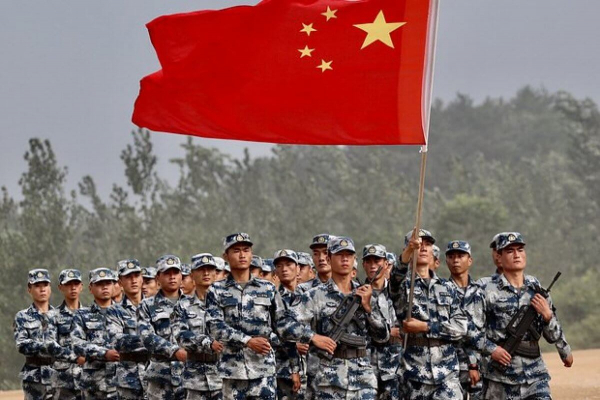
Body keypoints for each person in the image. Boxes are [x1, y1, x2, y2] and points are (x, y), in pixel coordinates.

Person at [205, 232, 333, 400]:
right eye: (236, 251)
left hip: (264, 373)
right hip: (232, 374)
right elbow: (215, 327)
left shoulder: (268, 289)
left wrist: (311, 338)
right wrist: (247, 341)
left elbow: (283, 325)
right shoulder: (216, 290)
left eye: (246, 250)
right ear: (226, 256)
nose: (242, 255)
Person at [292, 236, 389, 400]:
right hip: (329, 380)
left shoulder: (366, 294)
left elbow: (382, 337)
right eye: (339, 254)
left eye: (349, 255)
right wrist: (313, 337)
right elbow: (286, 324)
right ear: (329, 259)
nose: (345, 259)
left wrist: (368, 308)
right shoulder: (314, 296)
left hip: (363, 380)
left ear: (354, 259)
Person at [476, 233, 569, 399]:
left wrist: (548, 317)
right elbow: (470, 331)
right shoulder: (485, 289)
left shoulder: (537, 289)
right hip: (500, 379)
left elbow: (550, 334)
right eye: (510, 251)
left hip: (535, 376)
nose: (516, 254)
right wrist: (492, 349)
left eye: (520, 250)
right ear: (499, 257)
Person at [390, 229, 467, 400]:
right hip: (415, 375)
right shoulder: (402, 286)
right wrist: (409, 250)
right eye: (419, 244)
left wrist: (426, 327)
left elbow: (461, 327)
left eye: (428, 244)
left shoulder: (448, 287)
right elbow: (396, 276)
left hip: (447, 374)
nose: (423, 247)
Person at [172, 253, 223, 400]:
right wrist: (207, 342)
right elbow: (181, 336)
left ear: (215, 273)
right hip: (195, 380)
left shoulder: (227, 303)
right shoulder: (182, 306)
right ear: (192, 275)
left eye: (210, 269)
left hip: (225, 376)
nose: (206, 273)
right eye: (201, 269)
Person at [137, 255, 188, 400]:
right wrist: (174, 351)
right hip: (160, 379)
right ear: (158, 277)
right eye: (167, 273)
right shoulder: (146, 305)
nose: (172, 277)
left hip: (190, 378)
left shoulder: (193, 304)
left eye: (175, 272)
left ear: (181, 276)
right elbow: (146, 337)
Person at [71, 268, 124, 400]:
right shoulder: (81, 315)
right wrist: (104, 353)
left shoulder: (126, 313)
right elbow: (76, 344)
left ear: (114, 285)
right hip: (93, 384)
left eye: (108, 283)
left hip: (122, 381)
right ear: (91, 288)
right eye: (100, 284)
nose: (104, 287)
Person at [362, 244, 402, 400]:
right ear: (363, 264)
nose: (373, 266)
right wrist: (389, 331)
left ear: (386, 264)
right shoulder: (359, 294)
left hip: (394, 366)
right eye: (369, 261)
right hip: (366, 368)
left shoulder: (398, 293)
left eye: (377, 261)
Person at [445, 241, 483, 400]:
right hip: (450, 366)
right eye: (451, 256)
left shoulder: (481, 292)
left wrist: (475, 364)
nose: (455, 260)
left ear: (470, 260)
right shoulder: (441, 291)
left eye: (460, 256)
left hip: (481, 366)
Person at [14, 269, 60, 400]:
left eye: (45, 285)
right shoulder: (22, 317)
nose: (42, 289)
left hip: (58, 376)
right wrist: (46, 346)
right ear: (29, 289)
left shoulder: (60, 316)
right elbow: (21, 344)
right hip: (34, 378)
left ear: (50, 288)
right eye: (37, 286)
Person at [273, 249, 304, 400]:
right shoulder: (272, 299)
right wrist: (293, 343)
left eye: (288, 264)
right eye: (279, 266)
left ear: (298, 269)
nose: (284, 269)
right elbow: (268, 333)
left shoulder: (309, 296)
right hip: (284, 370)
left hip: (313, 367)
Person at [115, 259, 146, 400]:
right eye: (128, 277)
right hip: (128, 378)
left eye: (136, 275)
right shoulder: (114, 311)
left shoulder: (156, 306)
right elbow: (117, 340)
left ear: (142, 278)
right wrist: (152, 340)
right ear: (120, 282)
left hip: (156, 376)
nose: (133, 280)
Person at [53, 269, 85, 400]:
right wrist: (75, 357)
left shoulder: (90, 315)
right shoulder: (52, 316)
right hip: (63, 380)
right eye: (68, 284)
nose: (73, 288)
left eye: (76, 284)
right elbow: (50, 346)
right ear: (60, 287)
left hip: (87, 378)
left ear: (81, 286)